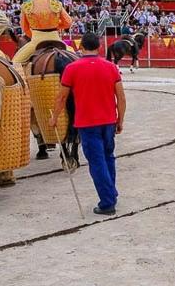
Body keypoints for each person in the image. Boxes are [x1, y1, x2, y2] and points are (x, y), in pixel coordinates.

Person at [51, 32, 125, 216]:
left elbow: (61, 97)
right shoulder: (111, 67)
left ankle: (108, 202)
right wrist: (120, 119)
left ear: (81, 47)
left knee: (97, 162)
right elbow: (121, 97)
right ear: (99, 47)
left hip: (87, 123)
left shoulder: (72, 68)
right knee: (108, 157)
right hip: (108, 121)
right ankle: (111, 193)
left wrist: (54, 118)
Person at [13, 0, 73, 64]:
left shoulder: (26, 5)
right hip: (55, 38)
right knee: (75, 56)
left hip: (37, 40)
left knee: (15, 62)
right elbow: (68, 22)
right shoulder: (56, 3)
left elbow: (24, 27)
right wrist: (55, 26)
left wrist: (33, 34)